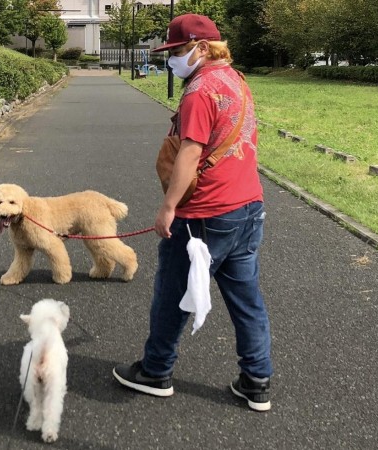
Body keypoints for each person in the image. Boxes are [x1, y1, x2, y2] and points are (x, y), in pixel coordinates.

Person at [112, 13, 273, 412]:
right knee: (246, 300)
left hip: (204, 215)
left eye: (178, 51)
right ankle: (256, 380)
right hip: (248, 207)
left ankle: (155, 371)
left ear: (202, 48)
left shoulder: (199, 90)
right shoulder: (236, 80)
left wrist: (168, 207)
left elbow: (190, 152)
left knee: (172, 293)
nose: (173, 59)